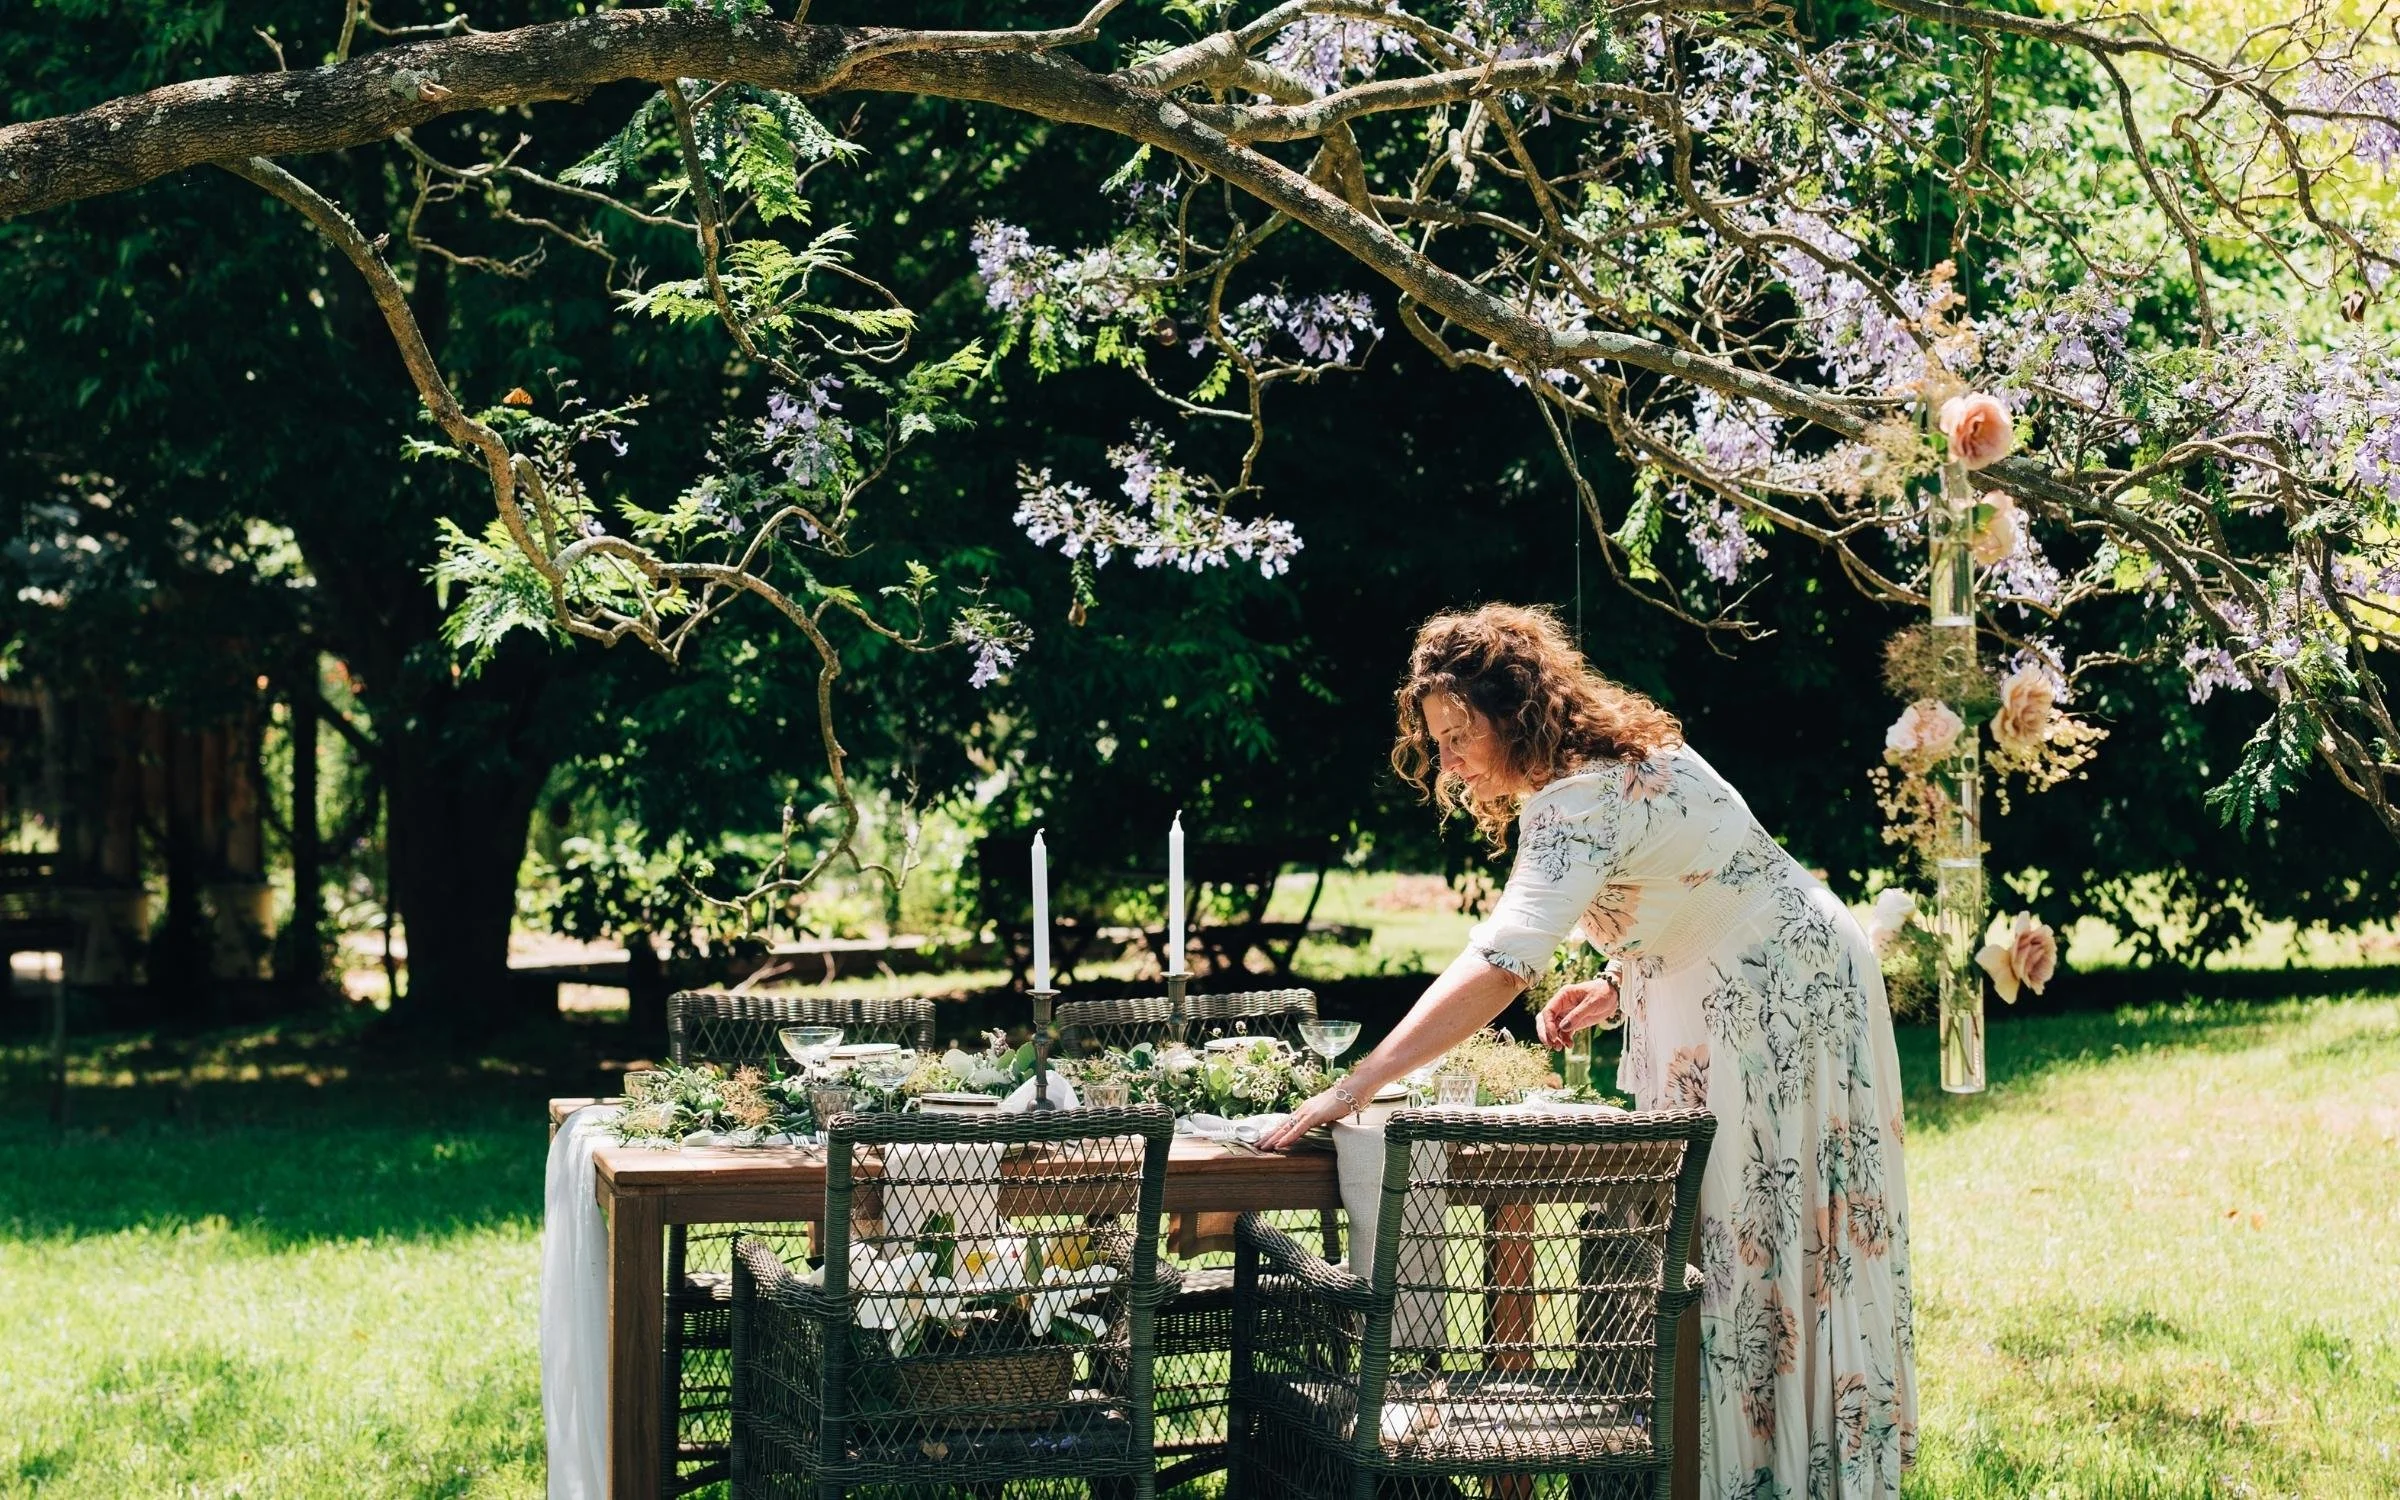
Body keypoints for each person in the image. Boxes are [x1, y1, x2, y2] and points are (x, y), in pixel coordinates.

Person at [1260, 602, 1916, 1498]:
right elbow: (1700, 873)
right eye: (1437, 740)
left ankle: (1764, 1478)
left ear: (1516, 712)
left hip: (1777, 1004)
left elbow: (1500, 966)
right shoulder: (1614, 757)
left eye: (1460, 735)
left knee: (1752, 1243)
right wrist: (1619, 980)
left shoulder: (1577, 797)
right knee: (1736, 1247)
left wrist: (1360, 1082)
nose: (1448, 761)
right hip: (1769, 974)